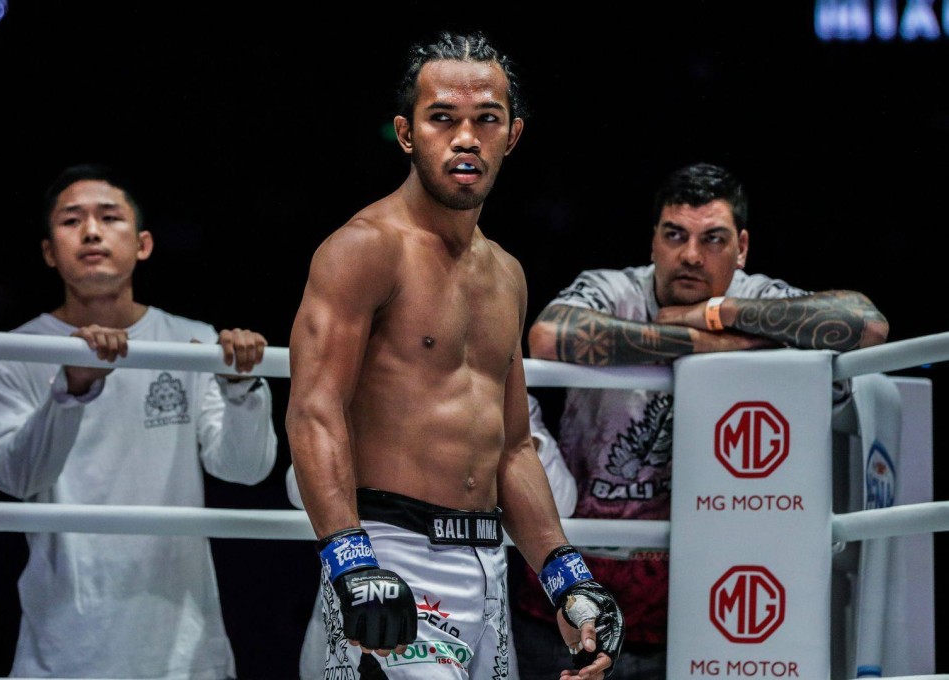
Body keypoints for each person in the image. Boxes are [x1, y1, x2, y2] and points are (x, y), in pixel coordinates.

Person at [285, 30, 624, 680]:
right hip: (389, 554)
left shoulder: (507, 275)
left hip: (487, 568)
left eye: (485, 119)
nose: (465, 138)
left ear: (512, 135)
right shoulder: (364, 249)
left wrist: (565, 577)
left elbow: (514, 448)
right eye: (443, 118)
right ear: (407, 134)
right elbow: (313, 411)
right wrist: (350, 560)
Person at [514, 161, 890, 679]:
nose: (690, 256)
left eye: (713, 239)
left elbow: (867, 326)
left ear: (742, 248)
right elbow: (549, 335)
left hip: (705, 606)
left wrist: (715, 314)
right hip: (575, 595)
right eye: (675, 236)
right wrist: (718, 346)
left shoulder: (754, 295)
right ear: (653, 243)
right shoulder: (614, 289)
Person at [0, 163, 278, 679]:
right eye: (71, 221)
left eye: (109, 217)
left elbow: (244, 469)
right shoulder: (8, 354)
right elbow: (17, 478)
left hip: (186, 648)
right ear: (49, 251)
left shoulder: (191, 342)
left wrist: (241, 385)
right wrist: (73, 388)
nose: (91, 231)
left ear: (143, 244)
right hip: (65, 649)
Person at [291, 393, 578, 680]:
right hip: (393, 565)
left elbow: (539, 476)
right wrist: (354, 562)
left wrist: (573, 583)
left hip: (485, 584)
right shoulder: (371, 385)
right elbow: (303, 471)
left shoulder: (502, 385)